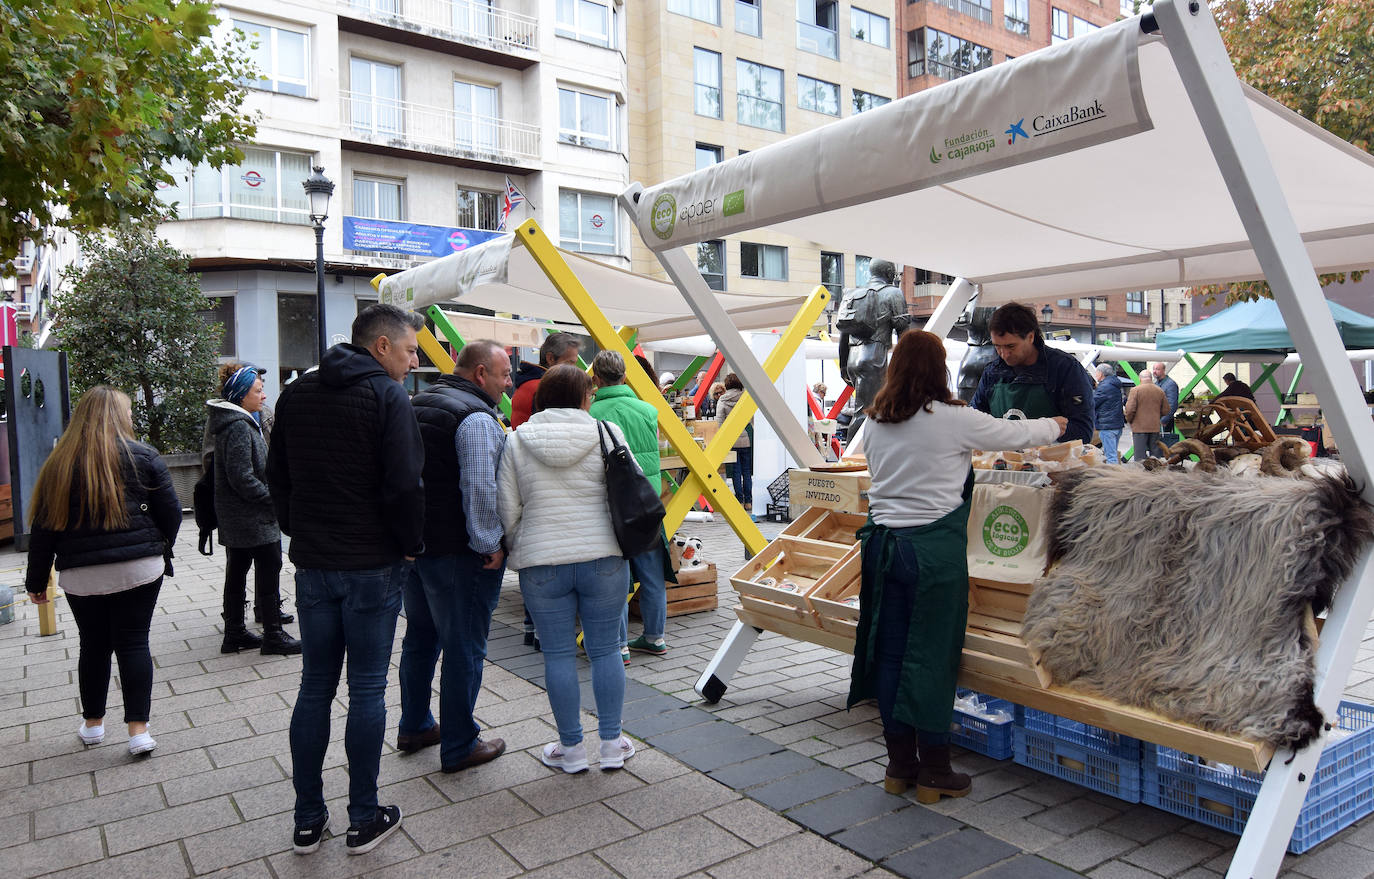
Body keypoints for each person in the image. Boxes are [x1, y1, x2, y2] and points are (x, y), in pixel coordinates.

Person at [847, 332, 1064, 803]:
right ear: (938, 369)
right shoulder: (951, 419)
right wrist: (1057, 423)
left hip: (883, 549)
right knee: (931, 656)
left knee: (889, 655)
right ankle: (936, 770)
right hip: (930, 554)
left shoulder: (876, 420)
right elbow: (1017, 434)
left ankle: (899, 764)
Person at [267, 303, 425, 857]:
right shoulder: (387, 397)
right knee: (366, 689)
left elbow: (277, 477)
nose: (411, 362)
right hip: (372, 565)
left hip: (315, 563)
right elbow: (406, 485)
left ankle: (308, 820)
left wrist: (299, 530)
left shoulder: (295, 394)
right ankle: (364, 817)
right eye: (409, 351)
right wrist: (410, 546)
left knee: (314, 686)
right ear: (380, 346)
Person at [25, 386, 181, 757]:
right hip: (138, 568)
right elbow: (172, 513)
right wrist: (158, 547)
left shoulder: (58, 463)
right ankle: (138, 732)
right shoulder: (144, 456)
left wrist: (35, 582)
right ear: (119, 416)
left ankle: (93, 725)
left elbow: (43, 529)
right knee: (133, 642)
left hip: (82, 574)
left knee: (93, 645)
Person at [498, 364, 638, 774]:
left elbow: (507, 507)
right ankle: (612, 744)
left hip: (542, 561)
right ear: (584, 397)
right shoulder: (607, 432)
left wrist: (516, 544)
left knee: (557, 655)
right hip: (604, 557)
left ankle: (572, 749)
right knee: (606, 650)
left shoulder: (518, 439)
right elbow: (630, 489)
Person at [397, 339, 512, 772]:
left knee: (421, 638)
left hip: (417, 546)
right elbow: (480, 489)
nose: (508, 383)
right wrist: (489, 545)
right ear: (481, 373)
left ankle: (415, 725)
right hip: (458, 553)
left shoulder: (416, 402)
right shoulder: (476, 417)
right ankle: (460, 743)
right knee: (464, 645)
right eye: (503, 375)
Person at [206, 363, 301, 657]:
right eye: (258, 391)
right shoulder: (237, 426)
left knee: (237, 571)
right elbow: (242, 477)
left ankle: (235, 633)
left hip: (241, 517)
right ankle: (272, 635)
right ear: (240, 395)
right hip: (252, 518)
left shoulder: (239, 422)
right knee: (269, 569)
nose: (263, 396)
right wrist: (272, 499)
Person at [589, 350, 670, 660]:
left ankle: (620, 645)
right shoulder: (648, 409)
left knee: (617, 577)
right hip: (647, 500)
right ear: (625, 375)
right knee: (652, 575)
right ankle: (655, 637)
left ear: (595, 378)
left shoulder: (592, 412)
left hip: (613, 505)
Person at [969, 302, 1094, 444]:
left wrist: (1031, 432)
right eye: (997, 346)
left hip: (1053, 463)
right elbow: (975, 421)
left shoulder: (1065, 368)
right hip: (1001, 462)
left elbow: (1082, 431)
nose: (1004, 354)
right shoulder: (992, 372)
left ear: (1030, 337)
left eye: (1011, 346)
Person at [837, 259, 911, 436]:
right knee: (866, 413)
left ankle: (861, 458)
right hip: (874, 357)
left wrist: (843, 365)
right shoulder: (893, 293)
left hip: (853, 357)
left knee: (870, 410)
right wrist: (906, 366)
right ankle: (851, 458)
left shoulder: (854, 294)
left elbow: (843, 333)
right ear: (888, 272)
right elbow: (903, 334)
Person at [510, 332, 581, 428]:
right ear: (550, 358)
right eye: (569, 363)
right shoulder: (547, 388)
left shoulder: (528, 382)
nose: (573, 369)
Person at [714, 373, 755, 517]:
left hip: (731, 440)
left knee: (736, 471)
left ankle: (739, 501)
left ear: (727, 385)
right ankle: (749, 501)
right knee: (747, 471)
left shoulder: (723, 400)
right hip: (746, 440)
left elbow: (719, 422)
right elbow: (751, 418)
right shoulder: (746, 398)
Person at [1124, 369, 1170, 461]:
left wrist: (1130, 420)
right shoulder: (1159, 390)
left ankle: (1141, 474)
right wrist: (1157, 416)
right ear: (1151, 378)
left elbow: (1129, 410)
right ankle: (1156, 473)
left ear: (1140, 379)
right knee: (1155, 456)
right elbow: (1166, 410)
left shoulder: (1135, 390)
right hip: (1155, 427)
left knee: (1140, 457)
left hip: (1139, 428)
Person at [1092, 363, 1126, 464]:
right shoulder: (1115, 384)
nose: (1095, 374)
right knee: (1113, 454)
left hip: (1107, 426)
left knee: (1110, 457)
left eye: (1096, 372)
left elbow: (1092, 402)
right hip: (1116, 425)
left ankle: (1113, 478)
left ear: (1101, 373)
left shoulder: (1104, 387)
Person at [1152, 362, 1180, 442]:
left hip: (1164, 422)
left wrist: (1163, 420)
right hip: (1156, 421)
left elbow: (1172, 404)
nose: (1154, 371)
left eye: (1157, 369)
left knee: (1163, 446)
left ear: (1164, 370)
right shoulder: (1156, 384)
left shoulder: (1171, 384)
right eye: (1153, 369)